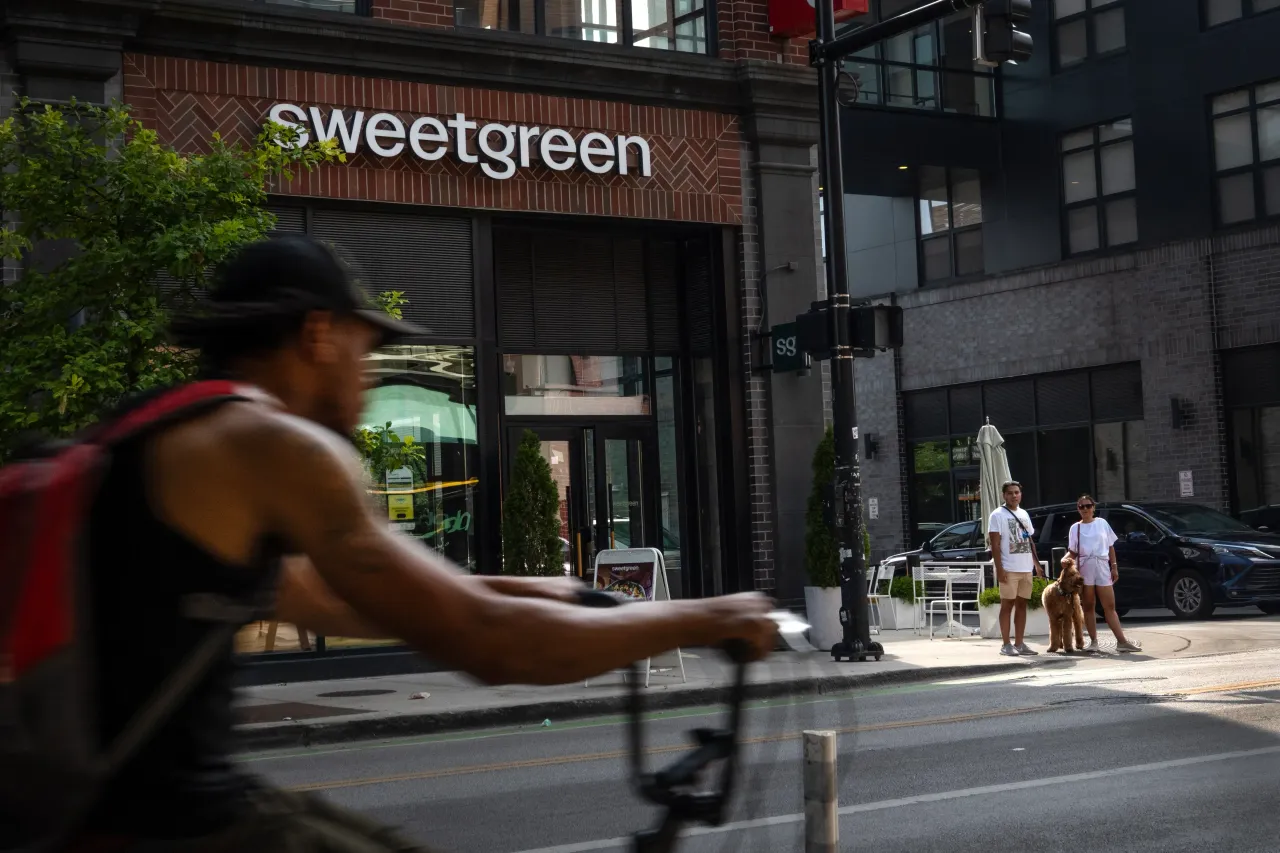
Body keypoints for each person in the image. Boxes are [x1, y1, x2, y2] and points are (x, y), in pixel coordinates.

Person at [68, 235, 778, 852]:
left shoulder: (160, 433)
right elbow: (487, 641)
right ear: (318, 334)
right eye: (366, 348)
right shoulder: (274, 445)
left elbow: (344, 601)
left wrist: (548, 589)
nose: (368, 378)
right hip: (175, 822)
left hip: (89, 815)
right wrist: (708, 616)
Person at [1063, 495, 1142, 653]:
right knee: (1089, 605)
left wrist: (1114, 566)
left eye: (1088, 505)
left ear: (1093, 507)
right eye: (1081, 507)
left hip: (1102, 565)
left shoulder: (1102, 523)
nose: (1085, 509)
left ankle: (1121, 641)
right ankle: (1093, 641)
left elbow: (1111, 546)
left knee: (1110, 606)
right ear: (1078, 509)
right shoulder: (1075, 528)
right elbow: (1073, 551)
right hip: (1085, 567)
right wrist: (1065, 559)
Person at [987, 480, 1044, 657]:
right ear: (1004, 495)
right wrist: (1000, 569)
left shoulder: (1024, 514)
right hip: (1009, 567)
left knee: (1022, 605)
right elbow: (994, 545)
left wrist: (1037, 565)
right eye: (1010, 493)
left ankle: (1019, 643)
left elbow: (1029, 540)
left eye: (1017, 492)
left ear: (1021, 494)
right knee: (1007, 605)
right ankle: (1006, 644)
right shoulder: (997, 515)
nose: (1014, 496)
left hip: (1026, 567)